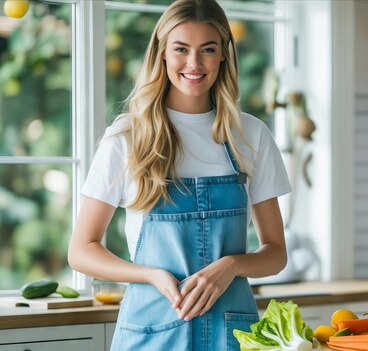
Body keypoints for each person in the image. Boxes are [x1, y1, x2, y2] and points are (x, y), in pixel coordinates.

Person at [67, 0, 290, 349]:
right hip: (152, 329)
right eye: (181, 49)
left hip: (231, 332)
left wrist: (231, 265)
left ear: (223, 56)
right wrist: (150, 275)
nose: (194, 63)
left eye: (208, 49)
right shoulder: (128, 137)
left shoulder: (250, 135)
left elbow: (276, 253)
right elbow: (81, 250)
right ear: (162, 54)